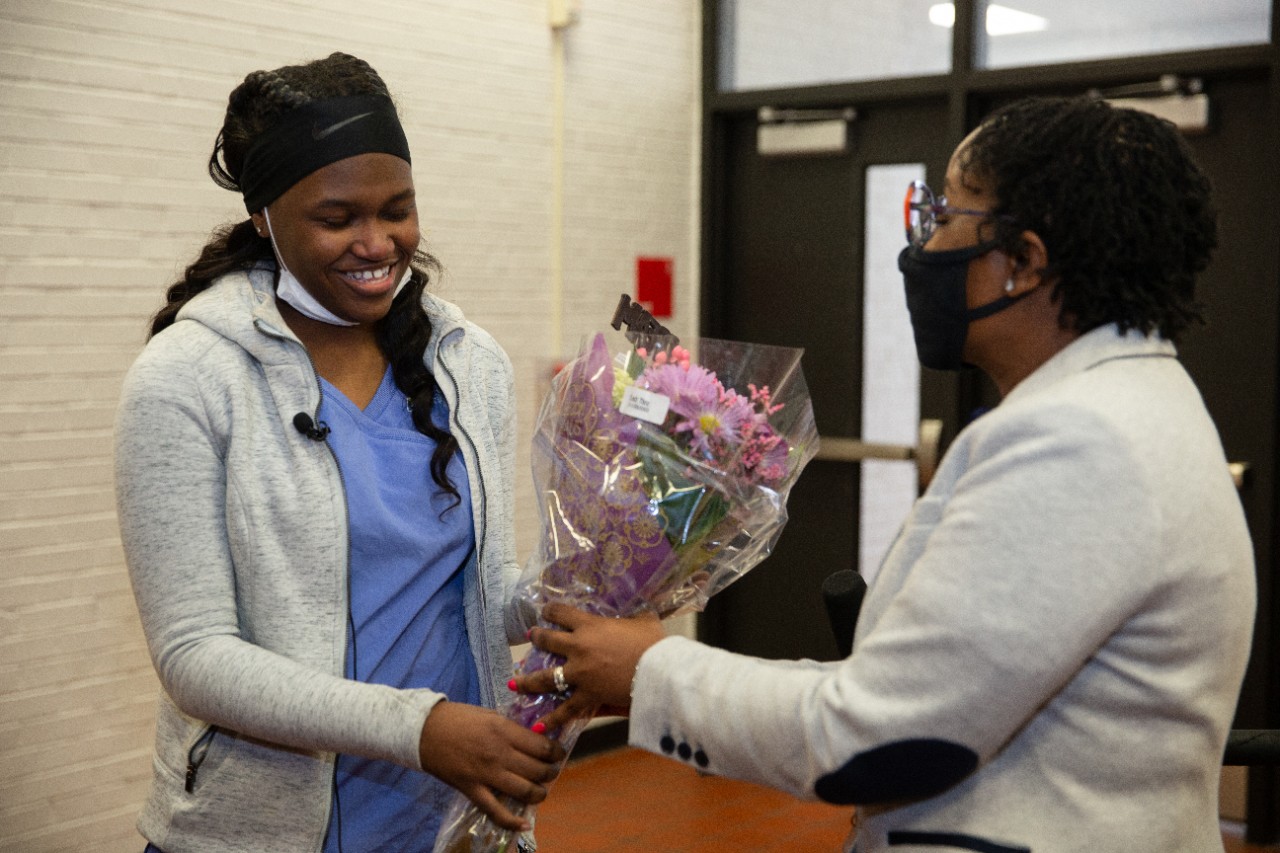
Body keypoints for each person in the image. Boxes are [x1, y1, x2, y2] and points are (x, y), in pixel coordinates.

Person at [516, 95, 1256, 852]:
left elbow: (882, 737)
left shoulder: (1080, 439)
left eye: (942, 218)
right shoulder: (1134, 403)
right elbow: (913, 686)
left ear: (1025, 262)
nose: (925, 246)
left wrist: (652, 671)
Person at [115, 53, 563, 853]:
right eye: (337, 217)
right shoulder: (189, 377)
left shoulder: (466, 361)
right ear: (264, 217)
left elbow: (476, 592)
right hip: (263, 830)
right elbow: (194, 656)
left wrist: (591, 586)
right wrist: (418, 727)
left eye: (398, 209)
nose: (377, 242)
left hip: (452, 820)